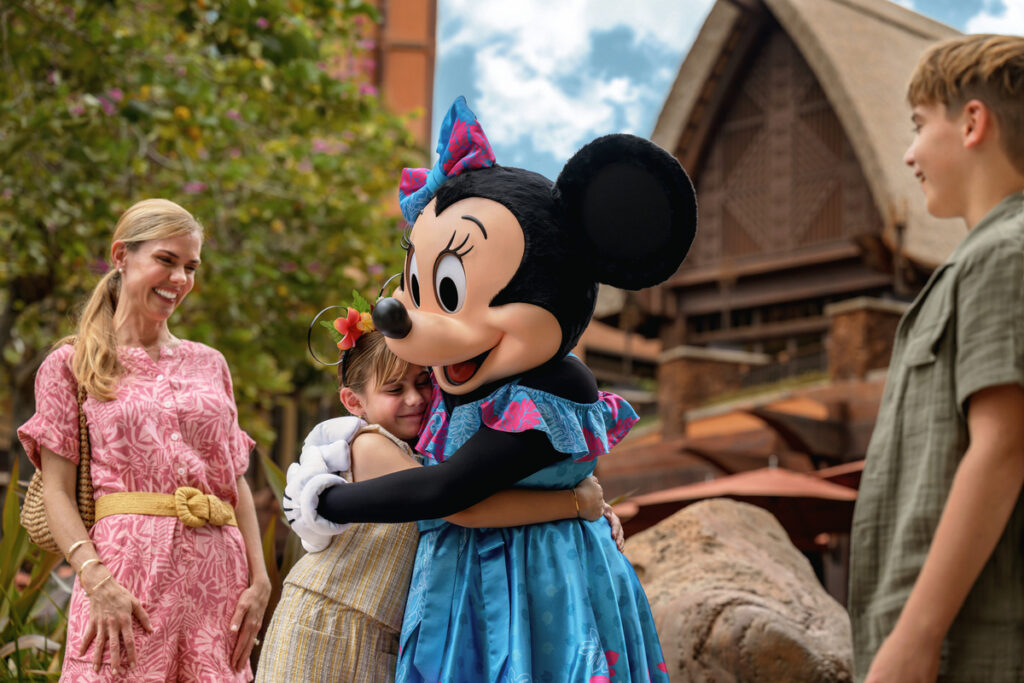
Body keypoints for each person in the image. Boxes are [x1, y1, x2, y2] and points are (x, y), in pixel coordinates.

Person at [258, 325, 621, 682]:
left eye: (422, 382)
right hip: (334, 619)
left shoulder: (423, 452)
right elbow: (461, 505)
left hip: (374, 627)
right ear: (353, 402)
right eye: (394, 389)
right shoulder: (368, 445)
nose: (415, 398)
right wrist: (574, 503)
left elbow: (480, 482)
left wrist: (589, 503)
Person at [17, 199, 269, 681]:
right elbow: (55, 491)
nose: (180, 279)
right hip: (126, 580)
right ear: (121, 256)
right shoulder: (70, 365)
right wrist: (95, 579)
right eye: (166, 260)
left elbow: (234, 481)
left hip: (218, 583)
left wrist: (259, 582)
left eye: (190, 267)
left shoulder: (210, 362)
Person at [849, 34, 1024, 683]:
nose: (909, 152)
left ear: (974, 122)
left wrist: (915, 636)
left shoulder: (1005, 253)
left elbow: (1003, 446)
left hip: (972, 648)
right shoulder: (979, 260)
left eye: (921, 126)